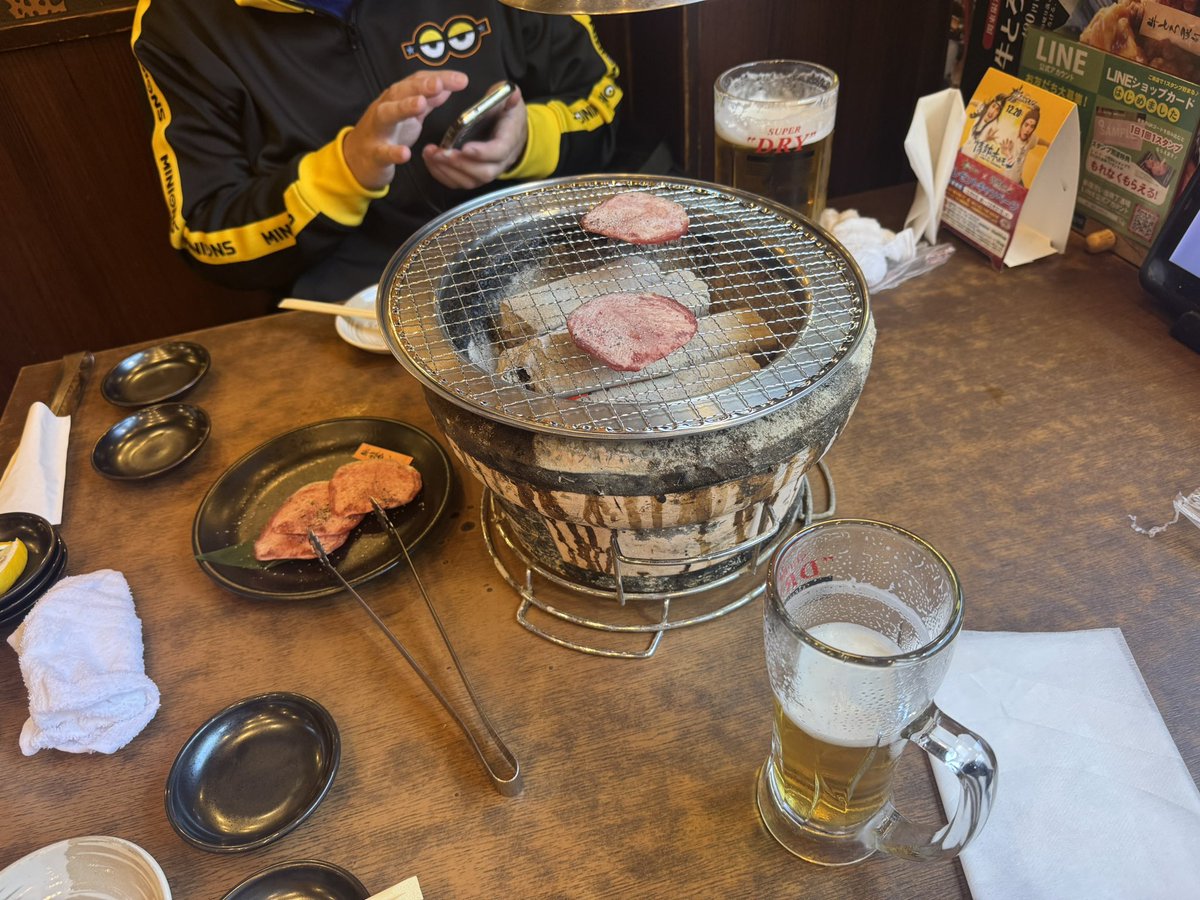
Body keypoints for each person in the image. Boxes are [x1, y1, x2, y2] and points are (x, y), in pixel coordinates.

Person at [130, 1, 623, 302]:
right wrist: (347, 170)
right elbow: (207, 234)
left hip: (540, 252)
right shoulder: (178, 19)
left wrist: (525, 140)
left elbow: (600, 102)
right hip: (352, 298)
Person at [999, 106, 1050, 186]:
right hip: (1005, 179)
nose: (1027, 129)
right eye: (1026, 125)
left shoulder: (1031, 138)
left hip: (1018, 180)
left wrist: (1048, 144)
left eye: (1032, 127)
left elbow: (1038, 140)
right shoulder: (1012, 135)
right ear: (1022, 124)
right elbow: (1003, 149)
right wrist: (1006, 151)